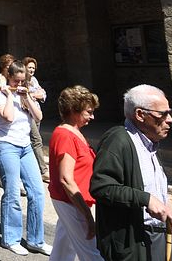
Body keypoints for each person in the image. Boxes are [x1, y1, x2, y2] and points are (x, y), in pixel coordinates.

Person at [90, 85, 172, 261]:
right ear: (140, 115)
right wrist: (145, 199)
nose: (170, 120)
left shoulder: (149, 143)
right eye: (162, 114)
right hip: (134, 241)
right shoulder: (118, 140)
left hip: (158, 234)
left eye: (169, 113)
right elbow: (101, 186)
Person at [0, 61, 51, 256]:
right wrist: (10, 96)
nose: (19, 85)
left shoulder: (24, 93)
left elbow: (39, 116)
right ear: (8, 77)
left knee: (37, 192)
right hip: (6, 145)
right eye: (16, 81)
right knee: (12, 194)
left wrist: (27, 98)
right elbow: (7, 117)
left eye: (22, 81)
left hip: (25, 147)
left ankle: (36, 240)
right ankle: (10, 238)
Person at [49, 86, 104, 261]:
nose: (92, 116)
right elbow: (66, 179)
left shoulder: (73, 132)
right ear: (74, 110)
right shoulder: (66, 135)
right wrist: (88, 217)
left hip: (72, 201)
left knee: (63, 251)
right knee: (92, 251)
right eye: (88, 112)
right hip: (71, 202)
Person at [23, 56, 48, 182]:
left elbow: (43, 94)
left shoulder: (34, 80)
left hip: (37, 112)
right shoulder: (22, 80)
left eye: (33, 68)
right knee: (37, 140)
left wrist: (33, 95)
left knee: (31, 141)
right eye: (30, 67)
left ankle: (30, 168)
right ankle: (43, 170)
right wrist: (33, 95)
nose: (32, 70)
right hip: (27, 113)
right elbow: (23, 95)